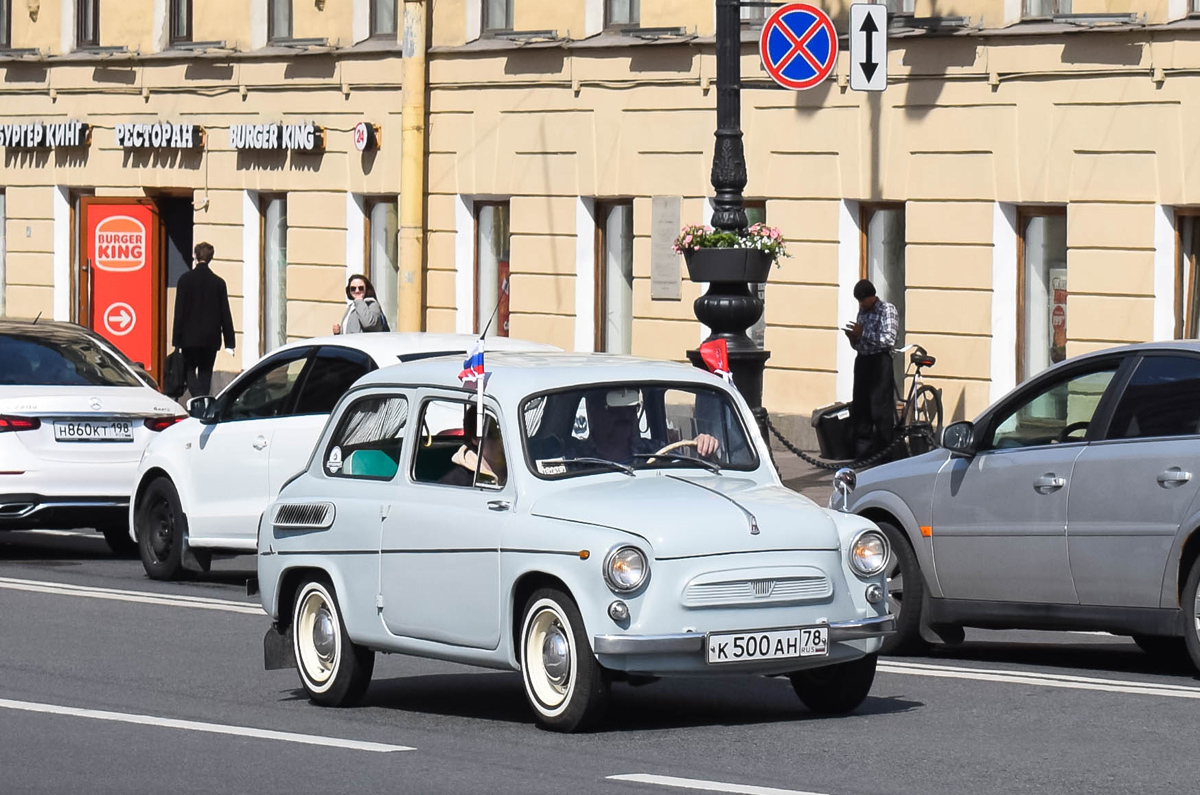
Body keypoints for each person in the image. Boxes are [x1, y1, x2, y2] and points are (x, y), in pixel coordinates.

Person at [568, 388, 720, 465]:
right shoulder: (574, 461)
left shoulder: (657, 452)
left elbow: (690, 478)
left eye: (631, 407)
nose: (625, 415)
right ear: (594, 410)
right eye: (615, 408)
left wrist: (704, 450)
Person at [843, 278, 899, 458]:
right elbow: (861, 342)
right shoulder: (862, 311)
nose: (860, 304)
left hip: (879, 362)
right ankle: (862, 454)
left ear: (871, 297)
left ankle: (883, 454)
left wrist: (864, 333)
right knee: (861, 408)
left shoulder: (886, 310)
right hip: (863, 361)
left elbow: (889, 339)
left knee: (880, 409)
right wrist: (854, 339)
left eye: (862, 300)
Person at [172, 241, 235, 398]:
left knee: (189, 370)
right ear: (211, 258)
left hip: (189, 338)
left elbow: (179, 312)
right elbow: (225, 314)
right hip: (210, 338)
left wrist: (176, 340)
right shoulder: (218, 283)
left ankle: (197, 399)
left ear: (195, 256)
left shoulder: (185, 280)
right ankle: (202, 401)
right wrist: (230, 343)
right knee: (206, 372)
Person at [440, 404, 507, 487]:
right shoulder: (456, 483)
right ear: (475, 438)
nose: (501, 441)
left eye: (505, 434)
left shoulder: (518, 471)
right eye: (493, 435)